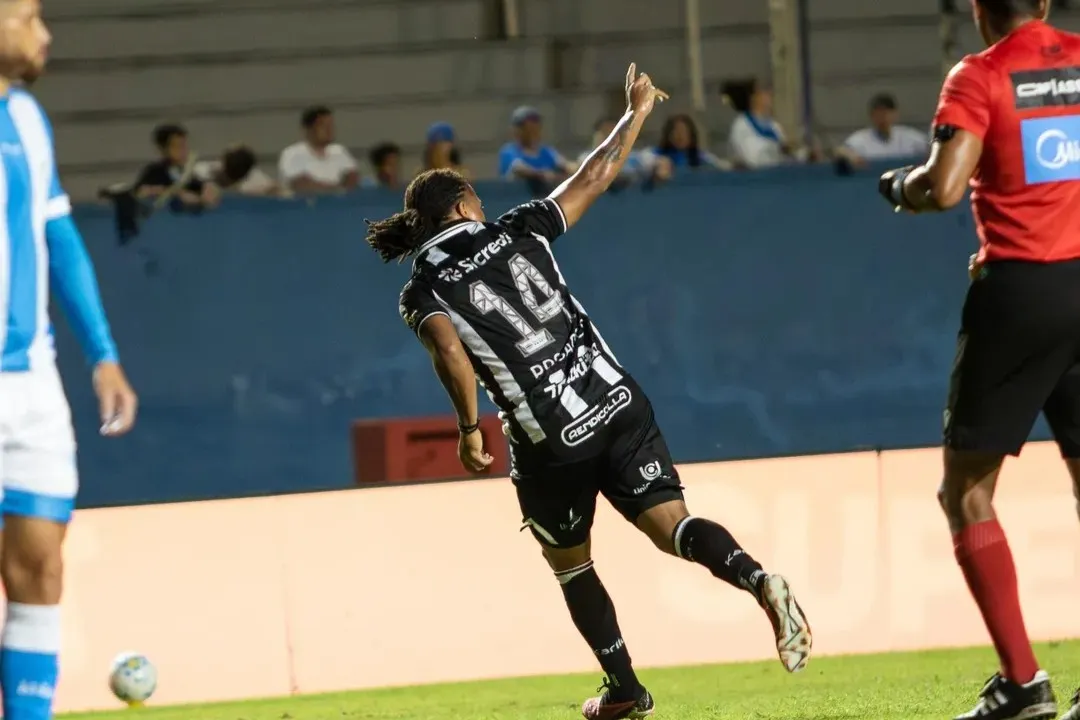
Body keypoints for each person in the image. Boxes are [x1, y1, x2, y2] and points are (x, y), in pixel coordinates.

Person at [367, 63, 811, 720]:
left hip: (551, 437)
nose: (482, 206)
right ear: (460, 206)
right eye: (476, 200)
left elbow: (452, 353)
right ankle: (758, 578)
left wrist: (466, 428)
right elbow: (595, 176)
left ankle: (625, 688)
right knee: (673, 526)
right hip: (618, 400)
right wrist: (635, 114)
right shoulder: (518, 228)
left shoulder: (422, 288)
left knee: (571, 564)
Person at [877, 1, 1076, 718]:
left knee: (966, 488)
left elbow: (945, 186)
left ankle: (1023, 684)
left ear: (978, 7)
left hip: (1021, 293)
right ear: (1045, 3)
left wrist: (897, 187)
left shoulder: (980, 75)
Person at [0, 2, 138, 719]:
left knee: (40, 567)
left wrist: (103, 354)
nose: (44, 34)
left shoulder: (27, 117)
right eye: (27, 16)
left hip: (31, 380)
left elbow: (58, 237)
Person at [134, 123, 220, 212]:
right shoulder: (154, 171)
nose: (184, 151)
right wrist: (176, 194)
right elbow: (140, 192)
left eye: (185, 146)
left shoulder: (185, 173)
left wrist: (208, 189)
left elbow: (200, 187)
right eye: (178, 146)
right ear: (163, 149)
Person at [278, 105, 360, 195]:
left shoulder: (339, 151)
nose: (329, 130)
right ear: (308, 129)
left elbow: (353, 177)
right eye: (323, 125)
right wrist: (336, 189)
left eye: (331, 125)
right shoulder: (292, 154)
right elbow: (300, 185)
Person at [497, 106, 575, 195]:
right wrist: (543, 174)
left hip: (543, 198)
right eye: (528, 129)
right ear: (517, 130)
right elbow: (518, 168)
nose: (533, 132)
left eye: (536, 127)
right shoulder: (509, 151)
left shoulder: (546, 151)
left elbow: (565, 164)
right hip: (517, 198)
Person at [838, 94, 930, 167]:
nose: (883, 116)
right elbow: (841, 151)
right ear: (871, 115)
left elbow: (932, 148)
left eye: (886, 112)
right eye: (879, 112)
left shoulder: (908, 135)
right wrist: (849, 156)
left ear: (895, 114)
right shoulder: (861, 138)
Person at [650, 114, 727, 172]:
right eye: (676, 131)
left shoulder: (701, 158)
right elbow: (644, 161)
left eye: (684, 132)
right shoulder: (655, 156)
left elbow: (721, 166)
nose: (680, 136)